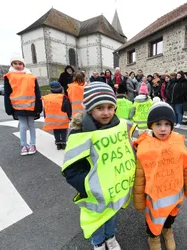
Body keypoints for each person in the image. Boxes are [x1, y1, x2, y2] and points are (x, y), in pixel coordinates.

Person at [61, 82, 138, 250]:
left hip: (114, 189)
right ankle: (98, 243)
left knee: (112, 215)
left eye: (111, 107)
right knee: (95, 218)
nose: (106, 112)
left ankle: (110, 237)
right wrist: (88, 186)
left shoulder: (120, 127)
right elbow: (71, 169)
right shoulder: (80, 133)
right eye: (100, 108)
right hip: (93, 191)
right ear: (89, 109)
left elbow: (128, 150)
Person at [133, 102, 187, 250]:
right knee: (153, 219)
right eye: (158, 124)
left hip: (175, 193)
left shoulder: (177, 142)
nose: (163, 129)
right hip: (154, 196)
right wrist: (139, 201)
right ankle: (153, 237)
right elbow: (139, 177)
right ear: (151, 126)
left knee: (171, 215)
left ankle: (167, 229)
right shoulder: (145, 147)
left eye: (167, 124)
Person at [4, 53, 42, 155]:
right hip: (18, 106)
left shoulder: (31, 76)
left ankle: (32, 144)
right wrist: (8, 107)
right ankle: (24, 145)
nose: (17, 65)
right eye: (15, 63)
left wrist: (39, 105)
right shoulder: (9, 77)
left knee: (31, 124)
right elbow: (7, 93)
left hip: (31, 105)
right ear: (12, 65)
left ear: (23, 65)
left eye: (20, 63)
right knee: (23, 126)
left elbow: (37, 91)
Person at [41, 81, 71, 150]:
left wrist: (46, 116)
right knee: (63, 131)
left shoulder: (47, 98)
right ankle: (63, 143)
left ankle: (58, 143)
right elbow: (68, 108)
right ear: (61, 89)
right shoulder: (64, 97)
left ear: (51, 90)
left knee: (56, 131)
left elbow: (45, 108)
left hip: (53, 119)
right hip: (63, 119)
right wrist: (70, 116)